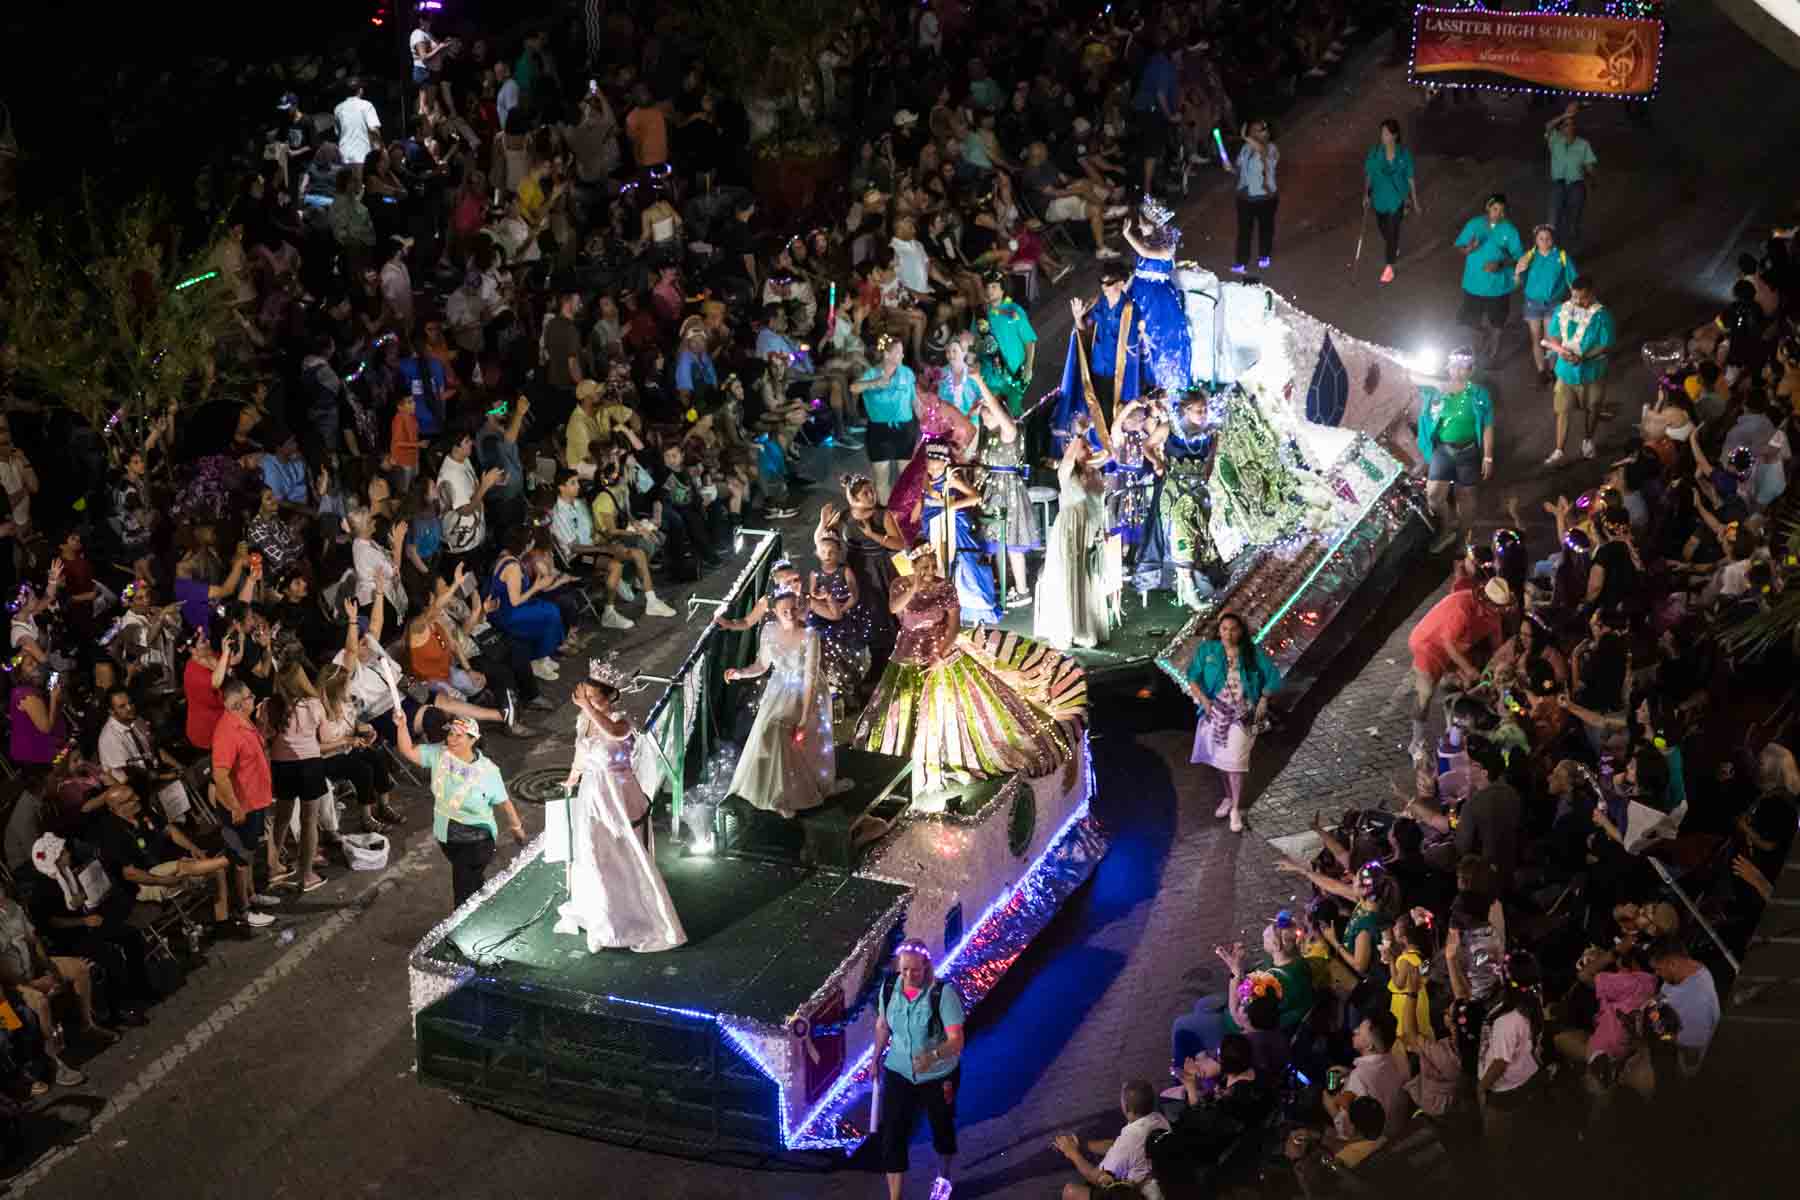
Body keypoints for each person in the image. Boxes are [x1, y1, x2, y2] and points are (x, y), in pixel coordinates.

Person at [858, 544, 1074, 805]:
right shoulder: (900, 585)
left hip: (941, 651)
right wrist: (914, 586)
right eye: (923, 567)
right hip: (907, 653)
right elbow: (894, 609)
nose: (929, 572)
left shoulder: (946, 587)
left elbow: (954, 623)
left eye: (931, 566)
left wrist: (940, 654)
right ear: (913, 567)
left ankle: (950, 754)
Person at [554, 665, 686, 953]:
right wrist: (573, 777)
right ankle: (601, 921)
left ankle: (631, 919)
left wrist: (587, 708)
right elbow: (581, 751)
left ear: (608, 697)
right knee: (592, 854)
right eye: (584, 695)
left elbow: (612, 733)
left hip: (618, 795)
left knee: (622, 855)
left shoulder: (621, 720)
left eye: (592, 696)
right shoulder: (583, 720)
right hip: (592, 794)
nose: (586, 700)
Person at [381, 661, 526, 909]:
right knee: (471, 883)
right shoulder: (438, 753)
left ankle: (461, 930)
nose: (451, 738)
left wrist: (516, 828)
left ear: (473, 740)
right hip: (446, 835)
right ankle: (484, 906)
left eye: (458, 736)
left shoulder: (488, 771)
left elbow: (504, 802)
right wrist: (402, 725)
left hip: (477, 839)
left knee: (462, 890)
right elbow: (407, 750)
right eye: (450, 734)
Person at [722, 584, 841, 818]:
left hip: (805, 691)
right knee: (769, 731)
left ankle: (788, 796)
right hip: (778, 689)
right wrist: (740, 673)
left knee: (784, 733)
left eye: (793, 609)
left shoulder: (810, 636)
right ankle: (773, 790)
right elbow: (762, 665)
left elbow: (809, 676)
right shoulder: (768, 630)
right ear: (775, 611)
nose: (790, 613)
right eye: (784, 610)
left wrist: (805, 716)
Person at [872, 941, 966, 1200]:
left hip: (938, 1075)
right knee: (892, 1134)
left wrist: (932, 1057)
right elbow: (882, 1025)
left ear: (926, 967)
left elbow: (957, 1040)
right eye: (904, 970)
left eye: (915, 970)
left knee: (941, 1127)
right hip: (899, 1071)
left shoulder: (942, 994)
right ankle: (895, 1197)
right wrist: (875, 1059)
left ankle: (944, 1177)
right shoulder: (890, 988)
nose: (909, 976)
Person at [1185, 611, 1281, 832]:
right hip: (1215, 714)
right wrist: (1204, 700)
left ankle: (1236, 809)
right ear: (1218, 631)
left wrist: (1264, 699)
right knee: (1220, 761)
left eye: (1233, 629)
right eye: (1224, 629)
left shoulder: (1252, 653)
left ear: (1241, 631)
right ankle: (1228, 797)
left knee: (1235, 764)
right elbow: (1193, 677)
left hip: (1242, 716)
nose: (1228, 634)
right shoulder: (1208, 650)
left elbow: (1273, 675)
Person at [1406, 577, 1510, 759]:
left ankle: (1453, 733)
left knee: (1461, 687)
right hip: (1428, 645)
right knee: (1426, 692)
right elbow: (1449, 644)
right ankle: (1416, 742)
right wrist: (1468, 669)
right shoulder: (1461, 608)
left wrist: (1494, 669)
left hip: (1456, 647)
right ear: (1486, 602)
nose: (1500, 612)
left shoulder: (1494, 614)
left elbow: (1497, 647)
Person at [210, 680, 278, 930]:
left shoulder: (244, 722)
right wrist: (235, 806)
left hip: (254, 802)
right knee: (240, 858)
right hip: (241, 808)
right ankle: (244, 910)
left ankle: (251, 895)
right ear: (238, 703)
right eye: (250, 696)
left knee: (249, 853)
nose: (254, 698)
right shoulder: (227, 732)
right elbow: (220, 775)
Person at [1416, 349, 1496, 553]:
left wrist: (1487, 456)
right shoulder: (1436, 391)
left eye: (1463, 368)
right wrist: (1436, 382)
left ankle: (1463, 538)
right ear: (1448, 368)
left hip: (1468, 452)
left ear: (1471, 371)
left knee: (1466, 498)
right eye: (1454, 367)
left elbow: (1487, 425)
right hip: (1443, 451)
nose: (1458, 372)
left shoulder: (1479, 394)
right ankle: (1447, 525)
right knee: (1433, 496)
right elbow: (1409, 375)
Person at [914, 444, 1000, 626]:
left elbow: (975, 497)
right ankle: (940, 605)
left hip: (952, 520)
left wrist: (951, 506)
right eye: (930, 466)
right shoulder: (923, 477)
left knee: (962, 560)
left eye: (937, 466)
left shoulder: (951, 478)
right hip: (931, 520)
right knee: (936, 561)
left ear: (945, 464)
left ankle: (971, 604)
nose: (933, 470)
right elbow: (923, 498)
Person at [1052, 1079, 1170, 1200]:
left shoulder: (1131, 1138)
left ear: (1127, 1109)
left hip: (1141, 1195)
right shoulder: (1158, 1119)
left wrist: (1071, 1152)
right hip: (1163, 1185)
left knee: (1071, 1191)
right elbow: (1116, 1146)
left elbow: (1096, 1177)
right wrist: (1082, 1145)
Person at [1542, 275, 1614, 466]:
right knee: (1563, 410)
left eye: (1582, 298)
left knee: (1593, 409)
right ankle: (1559, 450)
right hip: (1566, 373)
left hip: (1593, 373)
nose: (1577, 302)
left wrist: (1584, 357)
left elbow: (1604, 344)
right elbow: (1554, 334)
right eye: (1574, 297)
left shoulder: (1602, 315)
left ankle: (1588, 440)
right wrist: (1562, 351)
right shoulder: (1563, 309)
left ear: (1592, 294)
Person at [1123, 201, 1191, 392]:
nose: (1139, 227)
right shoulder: (1145, 242)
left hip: (1158, 299)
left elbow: (1146, 253)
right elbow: (1136, 270)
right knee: (1136, 337)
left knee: (1160, 337)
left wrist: (1127, 235)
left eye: (1142, 223)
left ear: (1154, 223)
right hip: (1138, 294)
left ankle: (1166, 383)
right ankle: (1140, 382)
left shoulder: (1168, 242)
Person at [1454, 194, 1523, 365]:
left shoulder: (1510, 230)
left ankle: (1493, 354)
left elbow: (1520, 258)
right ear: (1487, 207)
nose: (1498, 214)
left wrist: (1501, 264)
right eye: (1495, 209)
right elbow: (1459, 247)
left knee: (1497, 324)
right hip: (1473, 286)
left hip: (1498, 288)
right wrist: (1468, 249)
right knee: (1469, 322)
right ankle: (1475, 352)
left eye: (1502, 211)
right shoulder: (1474, 225)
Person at [849, 335, 919, 504]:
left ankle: (904, 513)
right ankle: (885, 512)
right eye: (898, 352)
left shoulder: (907, 373)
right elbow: (853, 387)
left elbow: (915, 400)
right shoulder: (872, 373)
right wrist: (874, 383)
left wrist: (924, 421)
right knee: (881, 477)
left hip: (905, 429)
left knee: (906, 475)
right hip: (879, 431)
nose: (902, 356)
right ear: (887, 355)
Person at [1514, 225, 1578, 387]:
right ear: (1536, 240)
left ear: (1553, 239)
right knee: (1536, 338)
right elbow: (1517, 279)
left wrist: (1576, 300)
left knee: (1552, 339)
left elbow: (1573, 280)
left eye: (1547, 238)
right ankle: (1542, 371)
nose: (1544, 241)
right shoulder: (1529, 257)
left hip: (1553, 303)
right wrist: (1518, 270)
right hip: (1532, 303)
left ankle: (1553, 371)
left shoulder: (1561, 256)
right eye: (1541, 238)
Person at [1647, 937, 1719, 1075]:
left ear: (1672, 964)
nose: (1656, 974)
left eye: (1658, 969)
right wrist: (1652, 1007)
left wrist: (1662, 1035)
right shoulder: (1686, 969)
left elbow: (1692, 1049)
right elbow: (1664, 994)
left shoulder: (1698, 999)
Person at [1363, 118, 1420, 284]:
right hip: (1379, 200)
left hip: (1397, 200)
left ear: (1394, 135)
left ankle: (1389, 266)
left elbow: (1410, 178)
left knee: (1393, 230)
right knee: (1384, 229)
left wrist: (1415, 201)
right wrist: (1366, 194)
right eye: (1382, 132)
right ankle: (1393, 246)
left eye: (1386, 133)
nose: (1383, 136)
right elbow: (1368, 175)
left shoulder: (1404, 154)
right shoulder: (1374, 153)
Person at [1545, 102, 1598, 252]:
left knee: (1573, 221)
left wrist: (1593, 180)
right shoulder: (1555, 140)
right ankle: (1551, 251)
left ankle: (1571, 252)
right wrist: (1565, 115)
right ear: (1561, 129)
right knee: (1553, 220)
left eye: (1572, 124)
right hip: (1558, 184)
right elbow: (1548, 126)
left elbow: (1589, 166)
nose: (1569, 127)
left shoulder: (1583, 144)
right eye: (1566, 125)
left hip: (1576, 185)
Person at [1232, 118, 1279, 272]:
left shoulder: (1271, 148)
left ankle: (1264, 255)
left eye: (1258, 130)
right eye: (1253, 130)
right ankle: (1241, 261)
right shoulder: (1245, 149)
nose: (1254, 133)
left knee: (1265, 229)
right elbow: (1239, 170)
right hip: (1245, 197)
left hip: (1265, 198)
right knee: (1244, 231)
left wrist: (1245, 137)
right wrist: (1230, 168)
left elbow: (1262, 151)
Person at [332, 78, 382, 184]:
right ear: (360, 90)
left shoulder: (338, 108)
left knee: (347, 190)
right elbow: (374, 130)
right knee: (360, 191)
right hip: (362, 157)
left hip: (343, 157)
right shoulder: (367, 105)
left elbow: (338, 134)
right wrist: (379, 150)